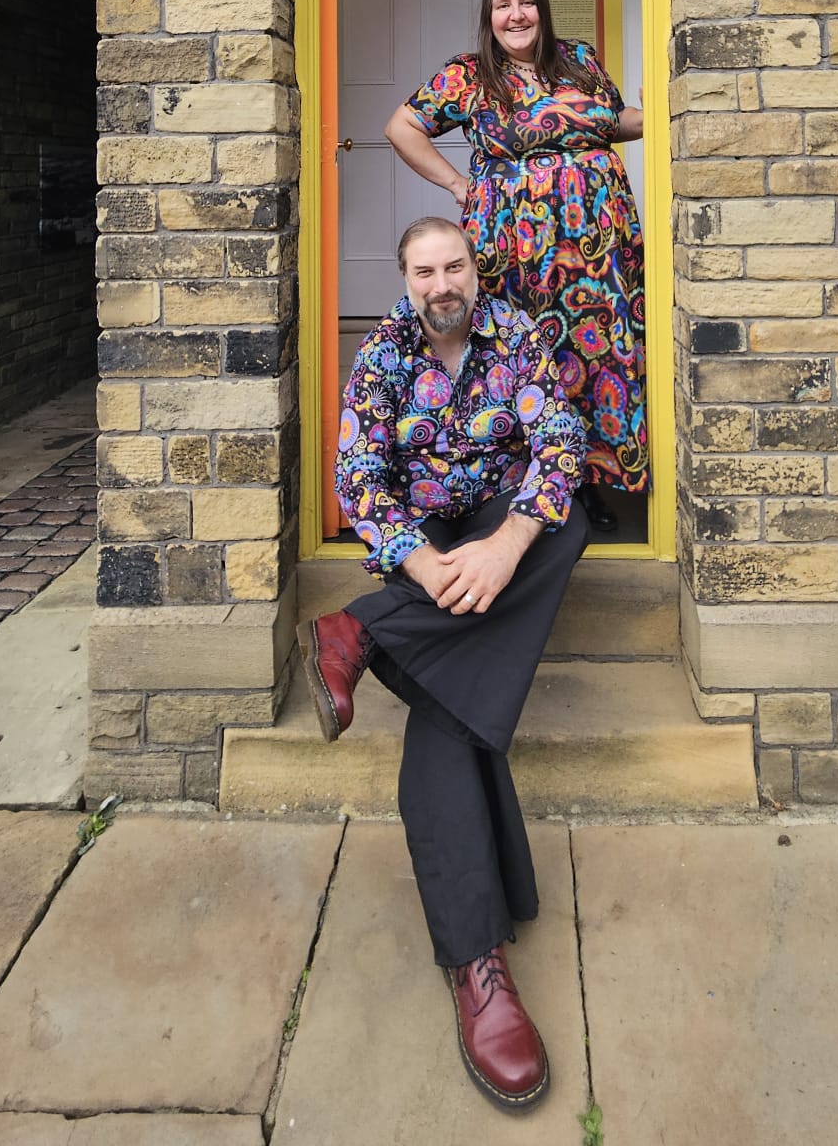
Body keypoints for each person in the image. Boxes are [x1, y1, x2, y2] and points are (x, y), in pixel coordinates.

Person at [298, 216, 589, 1111]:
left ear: (475, 268)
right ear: (406, 279)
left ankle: (364, 634)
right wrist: (424, 564)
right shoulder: (381, 357)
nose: (441, 284)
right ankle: (477, 967)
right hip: (428, 551)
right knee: (451, 715)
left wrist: (505, 546)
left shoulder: (519, 337)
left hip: (497, 534)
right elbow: (359, 479)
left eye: (454, 266)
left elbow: (563, 445)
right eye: (424, 271)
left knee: (563, 521)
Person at [383, 0, 647, 535]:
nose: (516, 15)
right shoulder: (472, 75)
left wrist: (656, 115)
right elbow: (402, 126)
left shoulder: (580, 61)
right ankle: (521, 487)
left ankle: (587, 484)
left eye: (525, 2)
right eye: (503, 6)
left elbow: (611, 121)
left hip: (597, 254)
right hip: (516, 254)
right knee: (528, 361)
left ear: (541, 10)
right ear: (490, 18)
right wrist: (458, 184)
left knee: (594, 359)